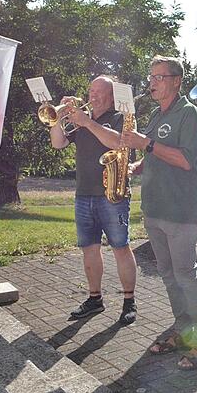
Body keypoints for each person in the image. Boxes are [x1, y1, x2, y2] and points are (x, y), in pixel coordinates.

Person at [121, 56, 197, 371]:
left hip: (180, 211)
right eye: (152, 76)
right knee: (168, 275)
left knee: (187, 277)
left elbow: (186, 160)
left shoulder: (189, 113)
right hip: (155, 209)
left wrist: (145, 145)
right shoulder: (156, 114)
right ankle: (183, 331)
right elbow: (155, 154)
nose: (152, 82)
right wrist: (135, 166)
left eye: (159, 77)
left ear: (176, 80)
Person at [49, 75, 138, 324]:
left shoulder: (120, 117)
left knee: (121, 248)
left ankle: (129, 300)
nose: (93, 95)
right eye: (91, 90)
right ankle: (95, 298)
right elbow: (58, 143)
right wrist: (58, 117)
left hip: (113, 195)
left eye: (100, 91)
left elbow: (120, 144)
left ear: (111, 97)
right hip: (84, 194)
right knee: (89, 248)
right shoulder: (80, 120)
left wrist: (87, 122)